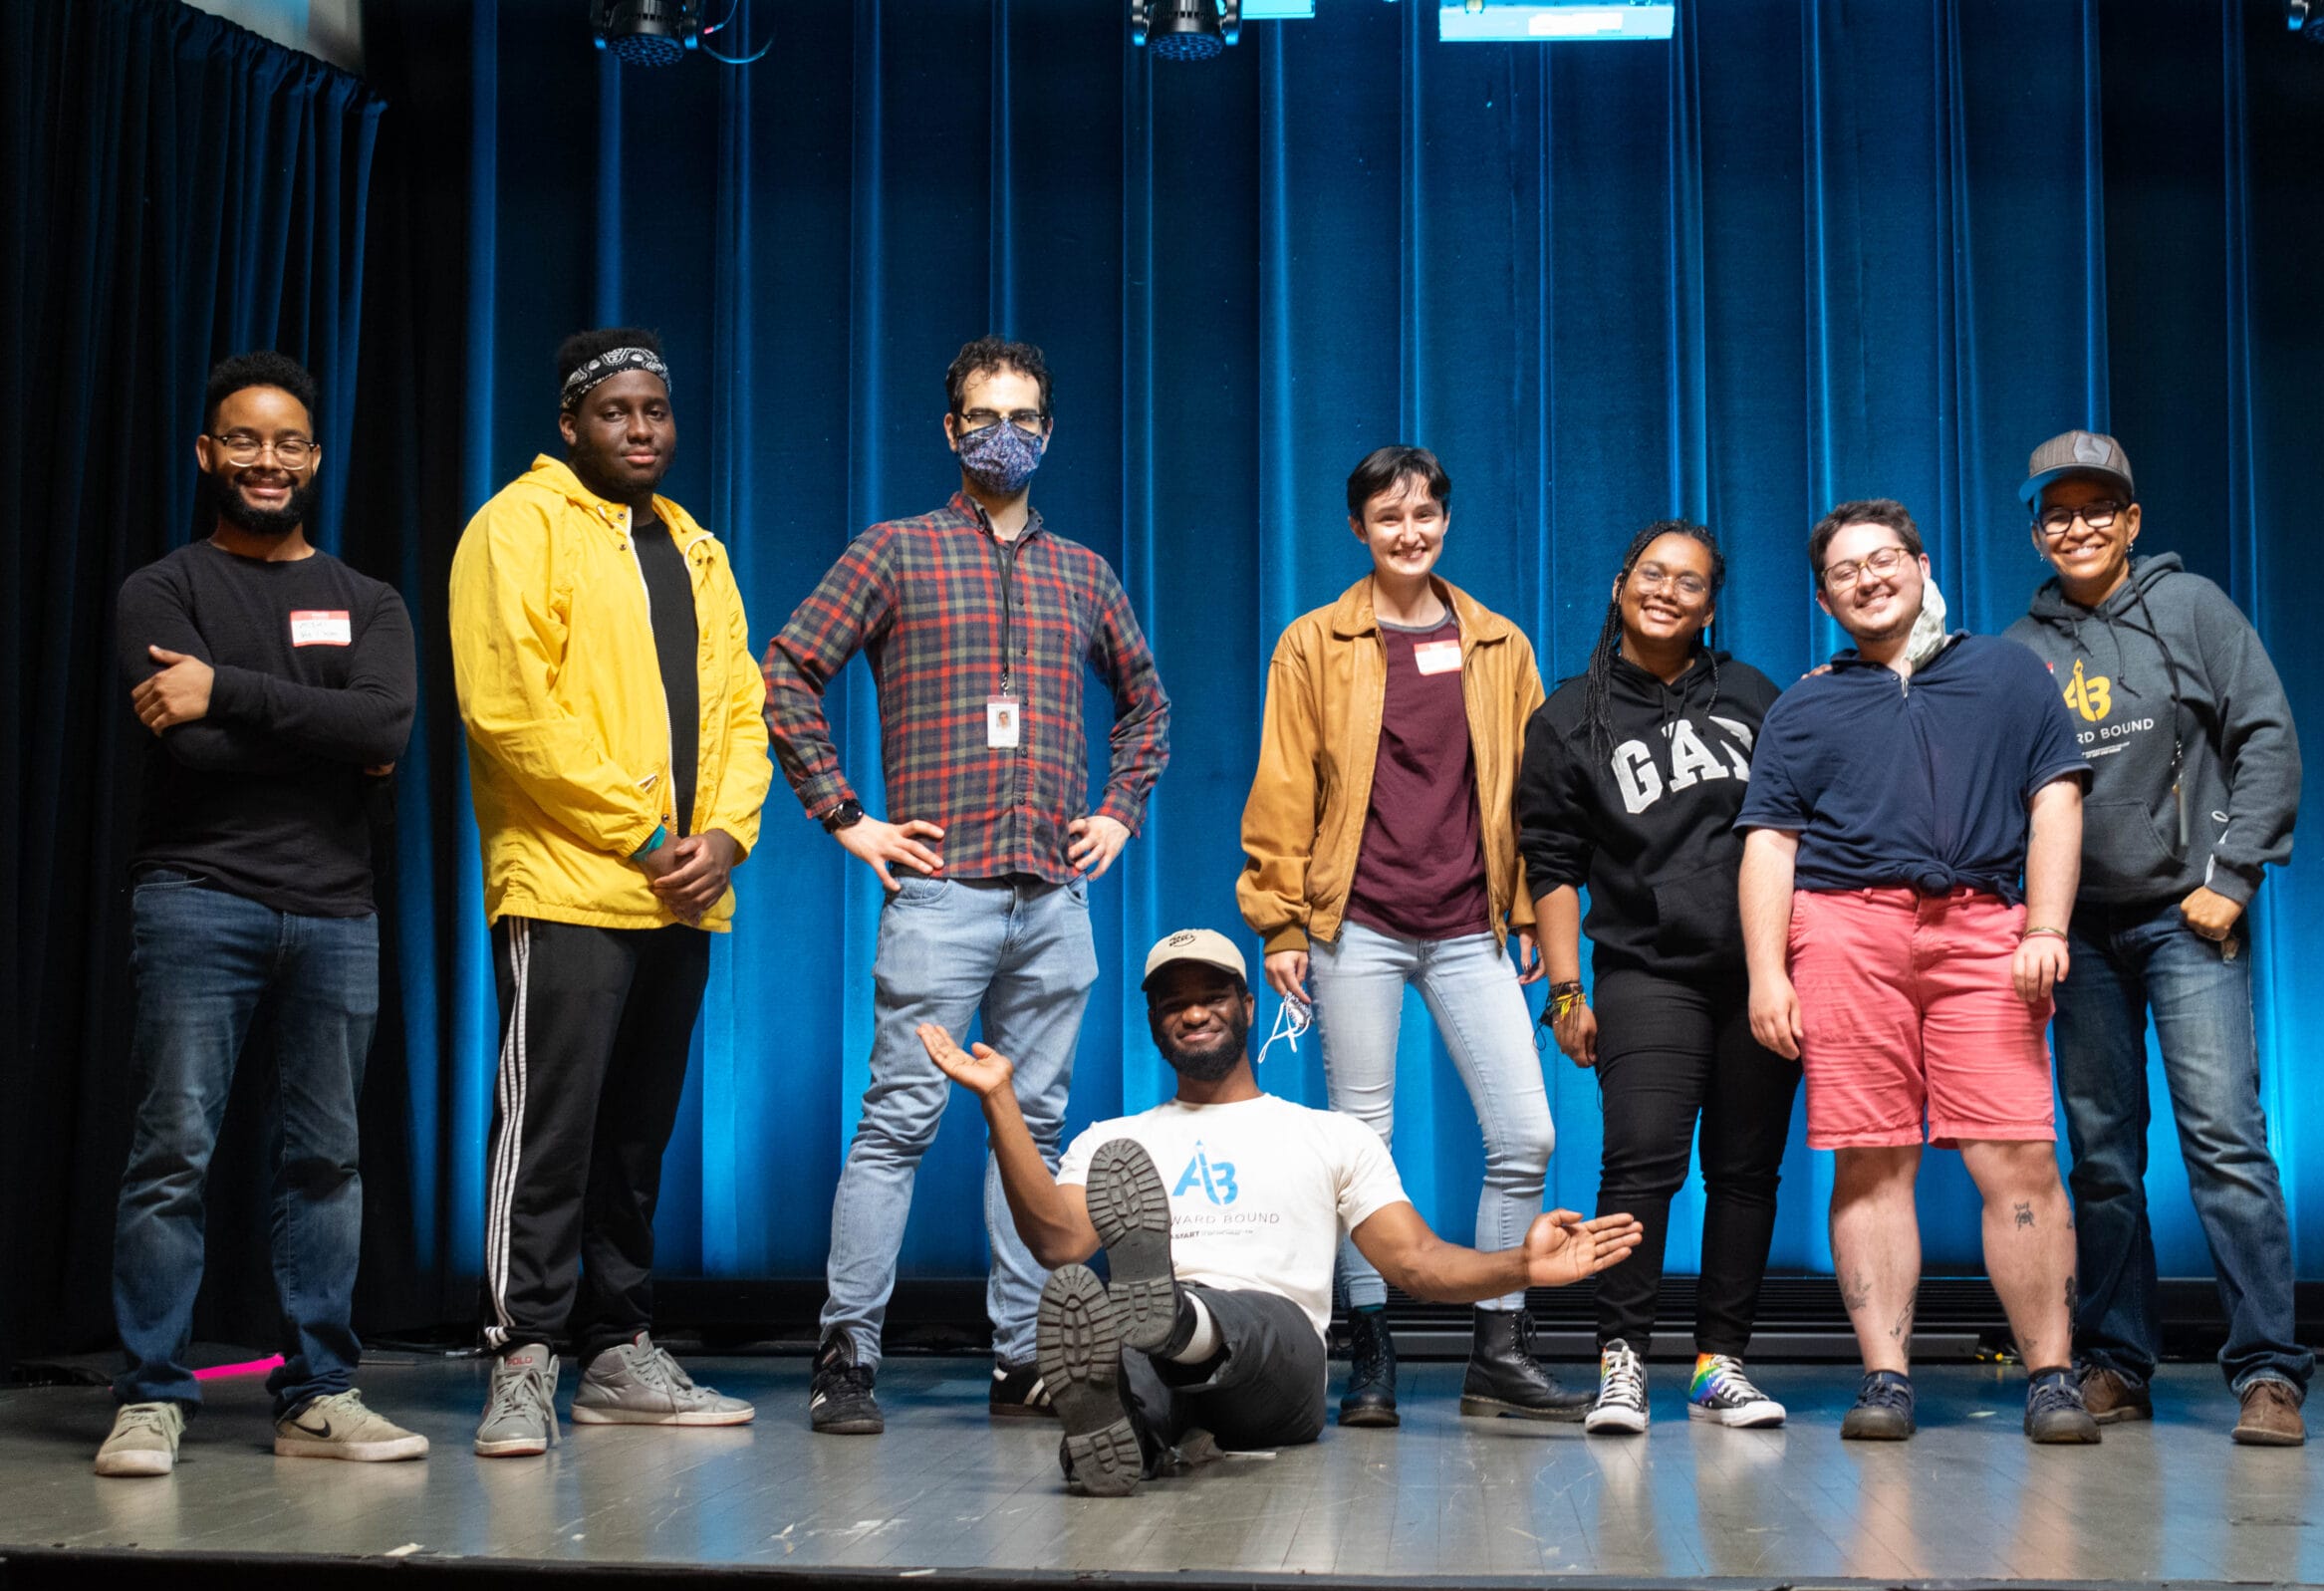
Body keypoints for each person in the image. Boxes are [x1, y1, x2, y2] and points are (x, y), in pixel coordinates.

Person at [762, 337, 1169, 1435]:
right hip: (941, 897)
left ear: (1048, 429)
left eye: (1025, 416)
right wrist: (847, 818)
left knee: (1027, 1136)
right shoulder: (893, 552)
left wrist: (1118, 811)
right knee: (898, 1124)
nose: (1006, 432)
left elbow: (1148, 705)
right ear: (950, 431)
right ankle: (844, 1360)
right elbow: (788, 670)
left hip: (1053, 897)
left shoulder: (1083, 572)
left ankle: (1024, 1358)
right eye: (985, 414)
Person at [918, 928, 1644, 1495]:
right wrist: (999, 1102)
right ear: (1152, 1019)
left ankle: (1171, 1317)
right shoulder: (1113, 1142)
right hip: (1157, 1358)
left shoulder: (1329, 1135)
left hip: (1281, 1365)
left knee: (1185, 1325)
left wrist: (1521, 1264)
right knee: (1127, 1377)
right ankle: (1117, 1443)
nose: (1193, 1010)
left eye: (1212, 993)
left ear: (1248, 1006)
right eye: (1173, 1001)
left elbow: (1416, 1261)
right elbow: (1055, 1240)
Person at [96, 352, 424, 1476]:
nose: (267, 460)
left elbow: (383, 730)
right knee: (172, 1154)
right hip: (197, 899)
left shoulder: (367, 599)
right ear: (208, 454)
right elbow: (184, 743)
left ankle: (320, 1392)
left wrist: (228, 690)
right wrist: (321, 732)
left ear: (315, 458)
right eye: (244, 440)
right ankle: (149, 1396)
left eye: (287, 442)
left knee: (327, 1160)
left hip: (336, 912)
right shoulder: (164, 589)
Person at [450, 328, 771, 1458]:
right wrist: (642, 832)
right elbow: (510, 710)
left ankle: (620, 1347)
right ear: (570, 424)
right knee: (551, 1130)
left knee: (638, 1140)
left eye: (656, 412)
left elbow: (742, 708)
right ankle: (521, 1352)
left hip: (682, 891)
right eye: (616, 412)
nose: (641, 430)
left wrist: (726, 833)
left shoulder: (696, 547)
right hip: (573, 880)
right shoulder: (516, 528)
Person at [1735, 498, 2101, 1445]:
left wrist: (2046, 924)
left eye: (1884, 558)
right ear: (1824, 595)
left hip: (1983, 929)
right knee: (1870, 1158)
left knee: (2016, 1152)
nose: (1868, 577)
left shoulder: (2007, 672)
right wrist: (1765, 975)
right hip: (1846, 932)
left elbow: (2056, 797)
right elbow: (1770, 845)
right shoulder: (1805, 702)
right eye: (1845, 570)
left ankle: (2053, 1376)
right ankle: (1887, 1378)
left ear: (1922, 563)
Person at [1237, 444, 1578, 1427]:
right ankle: (1372, 1354)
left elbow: (1531, 795)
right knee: (1362, 1145)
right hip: (1357, 927)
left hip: (1471, 925)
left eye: (1424, 513)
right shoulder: (1314, 642)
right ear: (1357, 528)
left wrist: (1522, 909)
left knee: (1526, 1133)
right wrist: (1280, 924)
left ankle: (1499, 1348)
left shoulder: (1498, 645)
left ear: (1445, 519)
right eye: (1388, 517)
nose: (1409, 532)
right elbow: (1284, 787)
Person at [2003, 431, 2311, 1446]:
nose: (2078, 526)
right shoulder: (2018, 651)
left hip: (2187, 918)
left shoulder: (2191, 607)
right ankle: (2115, 1362)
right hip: (2078, 935)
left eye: (2099, 509)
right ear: (2038, 530)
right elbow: (1999, 794)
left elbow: (2263, 733)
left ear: (2131, 521)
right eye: (2059, 512)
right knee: (2100, 1156)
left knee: (2224, 1144)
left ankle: (2267, 1369)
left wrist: (2234, 873)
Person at [1517, 520, 1803, 1436]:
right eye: (1652, 573)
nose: (1667, 591)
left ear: (1711, 605)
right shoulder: (1569, 716)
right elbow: (1552, 864)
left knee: (1746, 1171)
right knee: (1641, 1164)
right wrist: (1566, 991)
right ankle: (1623, 1360)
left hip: (1760, 972)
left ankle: (1721, 1363)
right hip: (1648, 970)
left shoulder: (1756, 696)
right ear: (1619, 584)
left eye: (1690, 581)